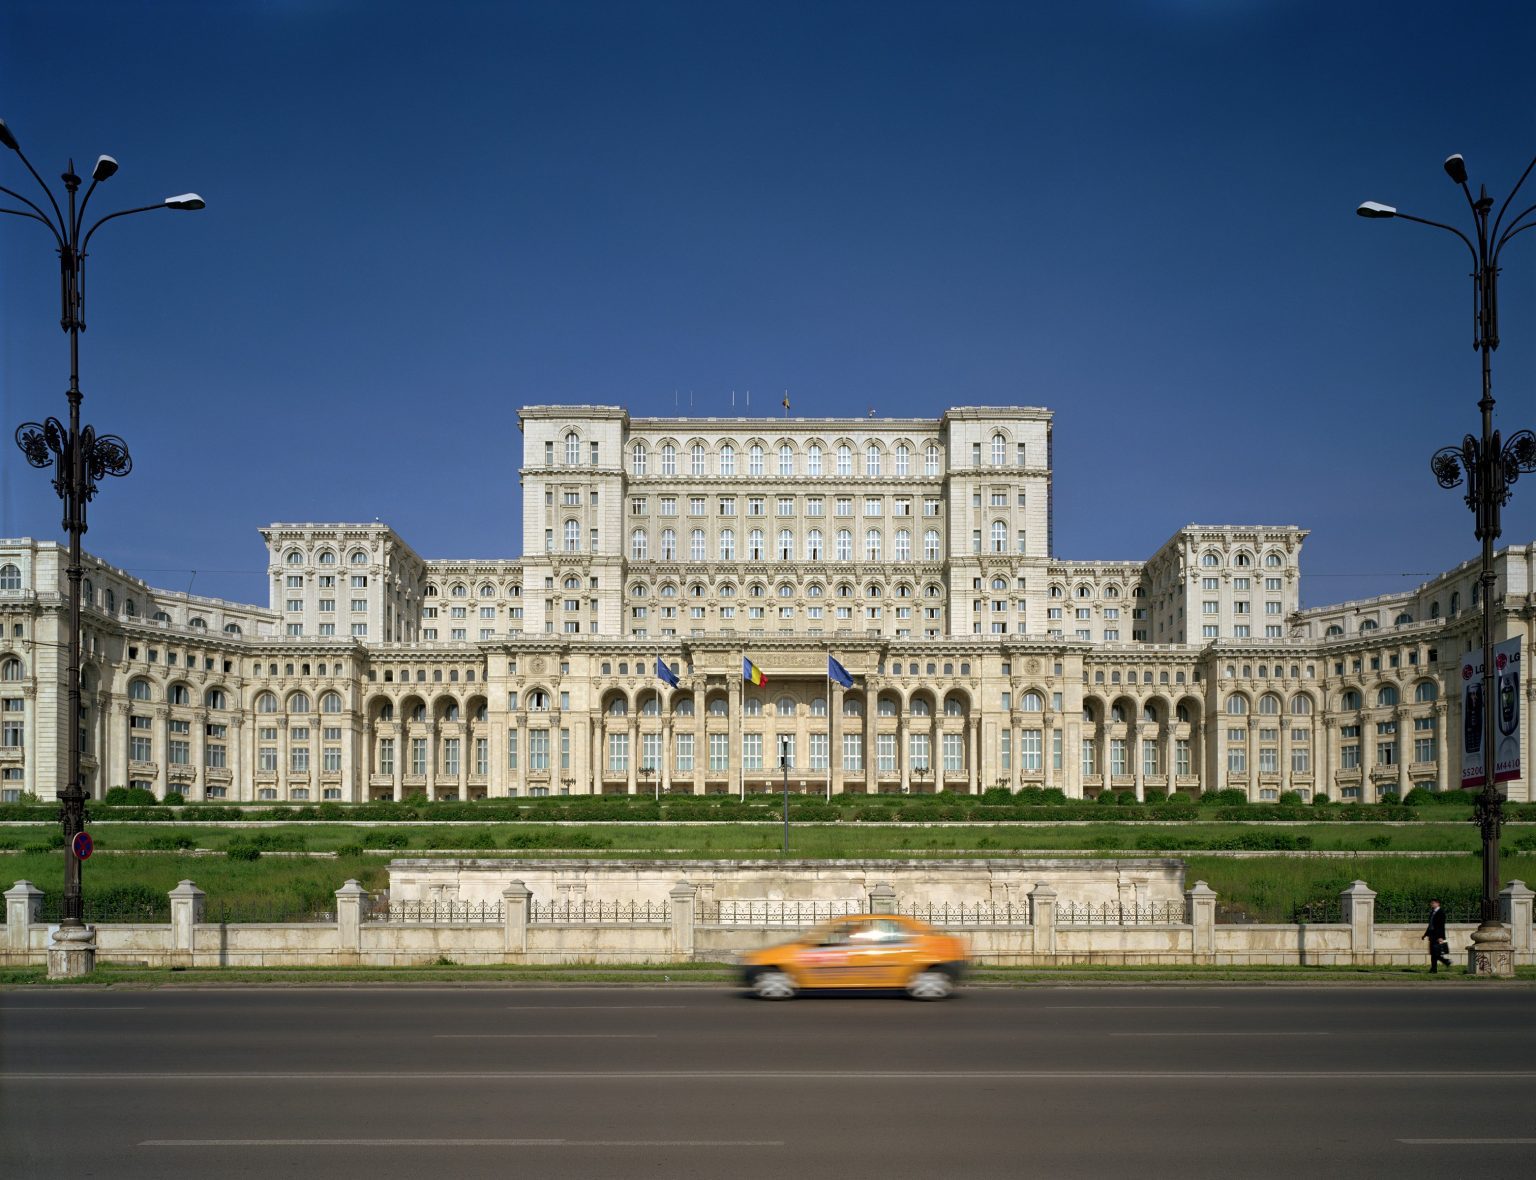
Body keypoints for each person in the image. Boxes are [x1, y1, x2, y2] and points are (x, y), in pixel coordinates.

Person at [1422, 899, 1452, 972]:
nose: (1431, 904)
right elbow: (1430, 925)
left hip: (1437, 935)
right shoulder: (1432, 912)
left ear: (1438, 903)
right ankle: (1434, 968)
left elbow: (1441, 926)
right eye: (1431, 903)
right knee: (1433, 953)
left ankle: (1445, 961)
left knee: (1435, 953)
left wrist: (1441, 937)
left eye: (1433, 903)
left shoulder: (1441, 913)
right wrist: (1425, 935)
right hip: (1432, 935)